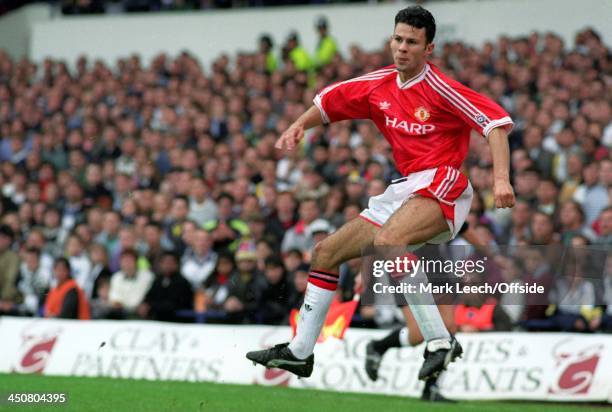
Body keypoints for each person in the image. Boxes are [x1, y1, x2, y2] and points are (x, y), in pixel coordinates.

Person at [247, 5, 515, 381]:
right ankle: (300, 352)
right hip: (406, 188)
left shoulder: (441, 89)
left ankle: (440, 342)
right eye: (398, 39)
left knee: (389, 241)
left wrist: (501, 178)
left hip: (444, 182)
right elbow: (328, 104)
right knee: (326, 253)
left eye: (412, 42)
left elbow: (495, 125)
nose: (402, 48)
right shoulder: (378, 85)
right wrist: (297, 126)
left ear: (429, 49)